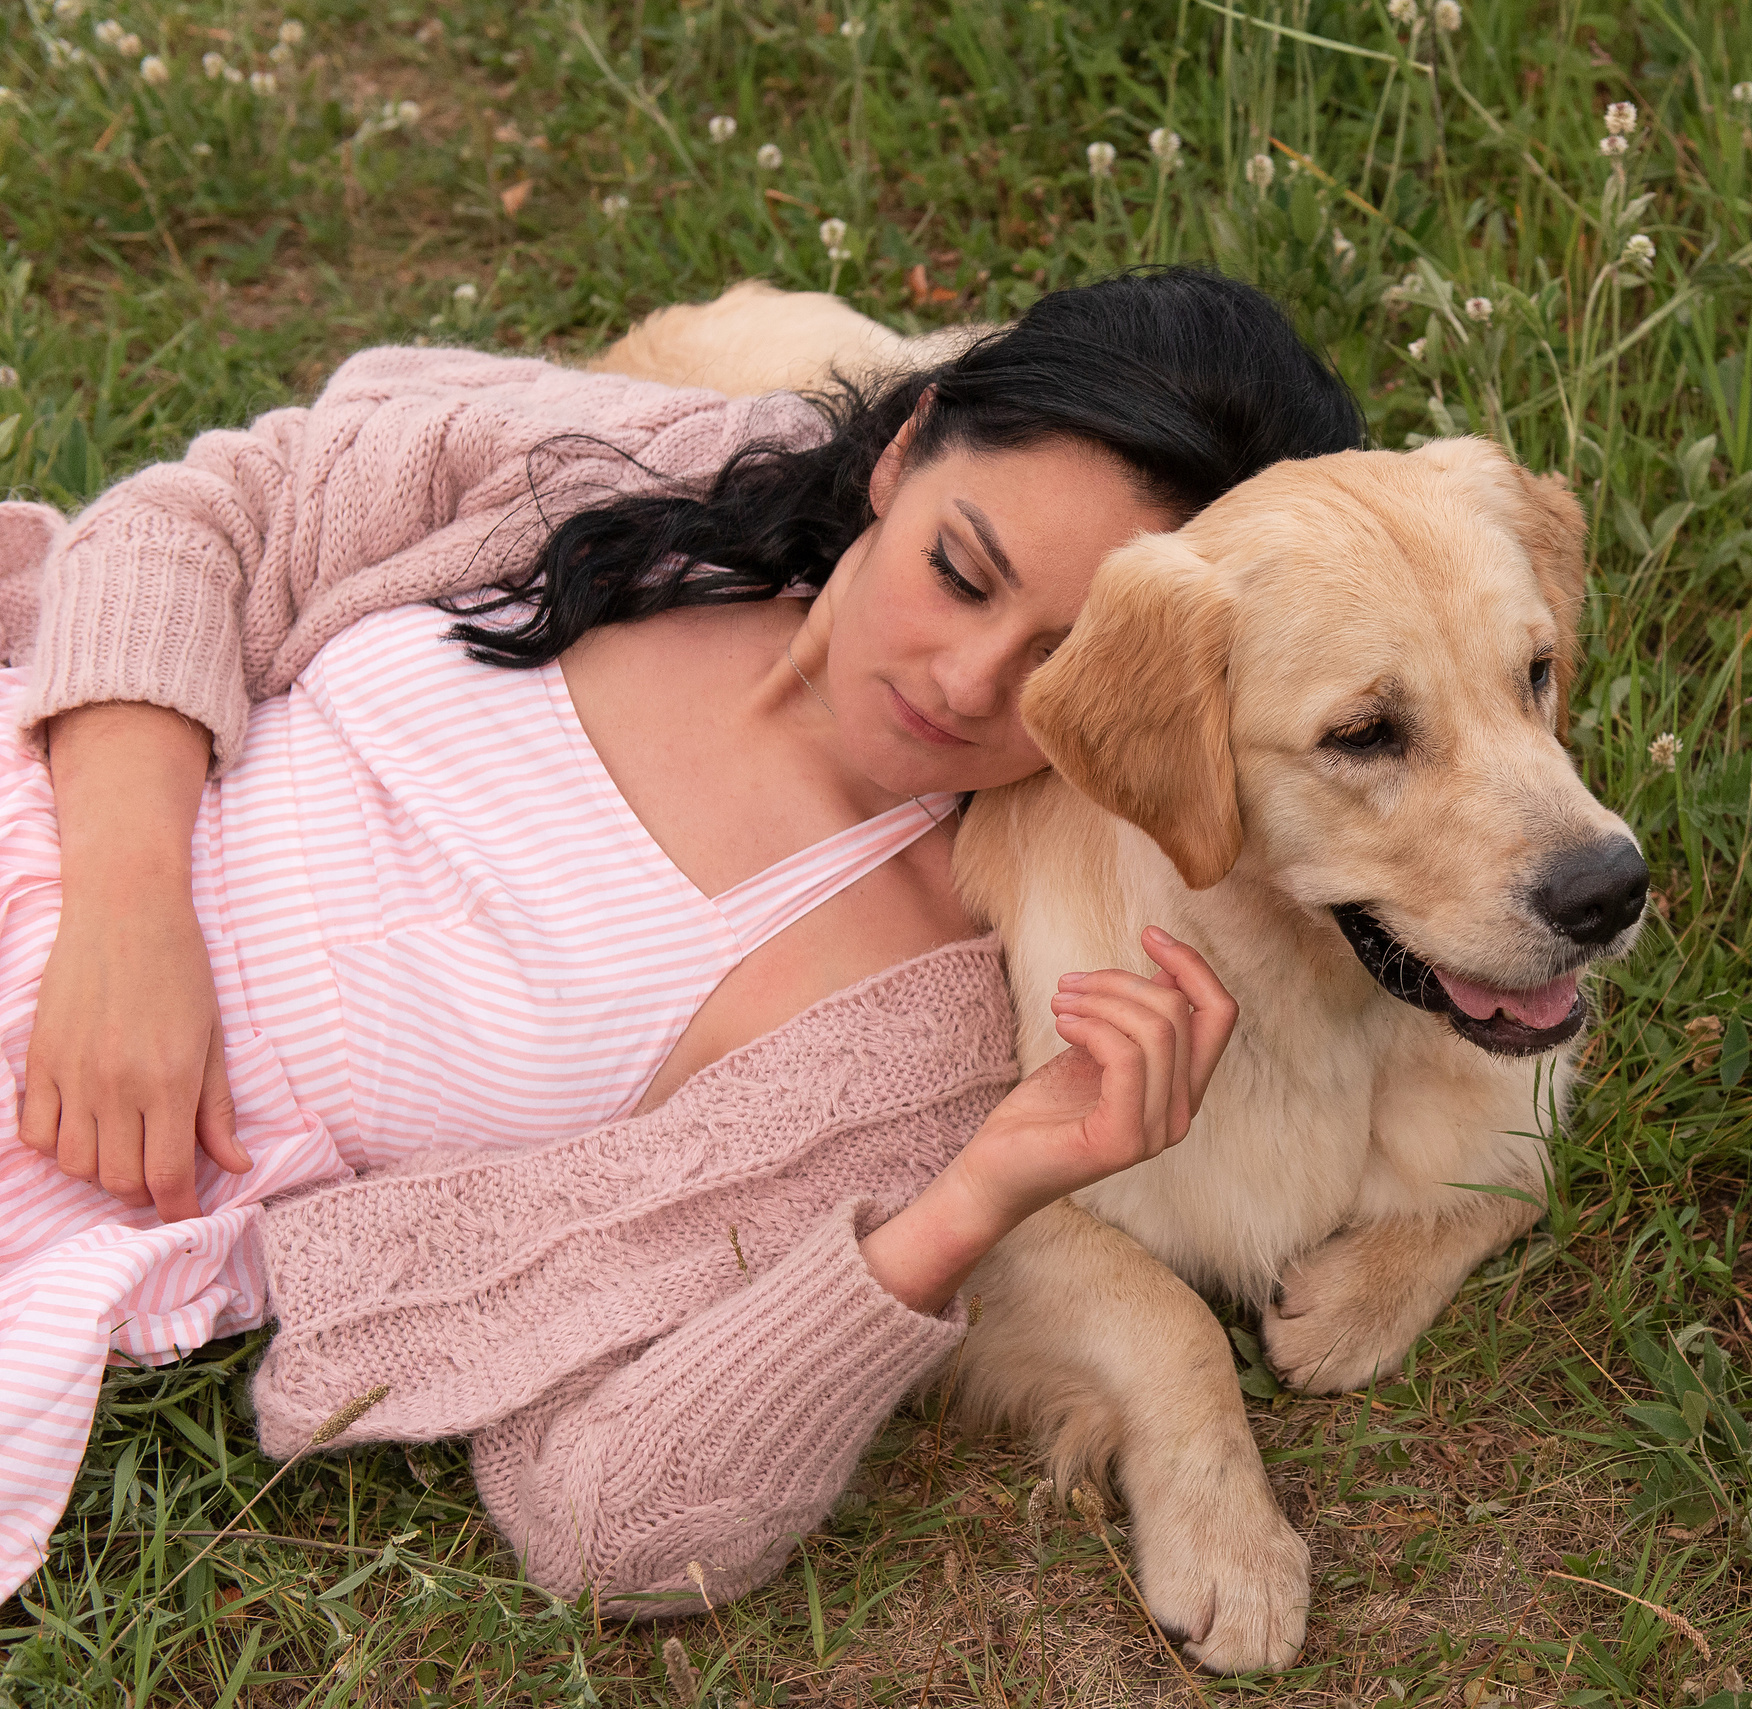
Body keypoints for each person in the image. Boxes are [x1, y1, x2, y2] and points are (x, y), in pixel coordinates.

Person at [0, 266, 1367, 1610]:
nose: (965, 680)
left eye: (1063, 667)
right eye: (960, 570)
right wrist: (127, 917)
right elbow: (221, 507)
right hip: (61, 782)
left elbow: (621, 1518)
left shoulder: (906, 1008)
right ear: (904, 452)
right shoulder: (672, 477)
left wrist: (972, 1199)